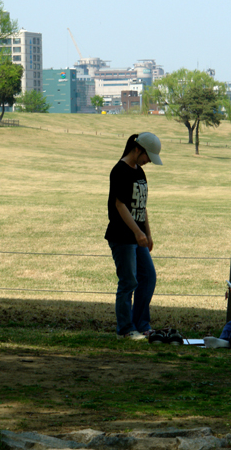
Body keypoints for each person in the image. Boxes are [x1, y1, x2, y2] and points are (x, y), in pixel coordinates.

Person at [105, 132, 163, 340]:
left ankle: (142, 325)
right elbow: (119, 205)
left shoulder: (140, 172)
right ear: (138, 150)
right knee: (128, 282)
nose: (148, 162)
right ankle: (126, 329)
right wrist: (137, 232)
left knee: (148, 277)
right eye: (148, 156)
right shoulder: (119, 171)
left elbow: (142, 206)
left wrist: (148, 233)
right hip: (122, 237)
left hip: (138, 237)